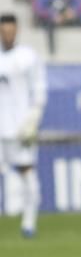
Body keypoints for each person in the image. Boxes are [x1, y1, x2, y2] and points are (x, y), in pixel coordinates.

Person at [0, 14, 47, 238]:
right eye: (3, 30)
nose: (7, 34)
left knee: (27, 172)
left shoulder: (28, 57)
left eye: (10, 30)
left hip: (20, 129)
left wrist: (33, 119)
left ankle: (29, 223)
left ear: (17, 30)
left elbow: (39, 90)